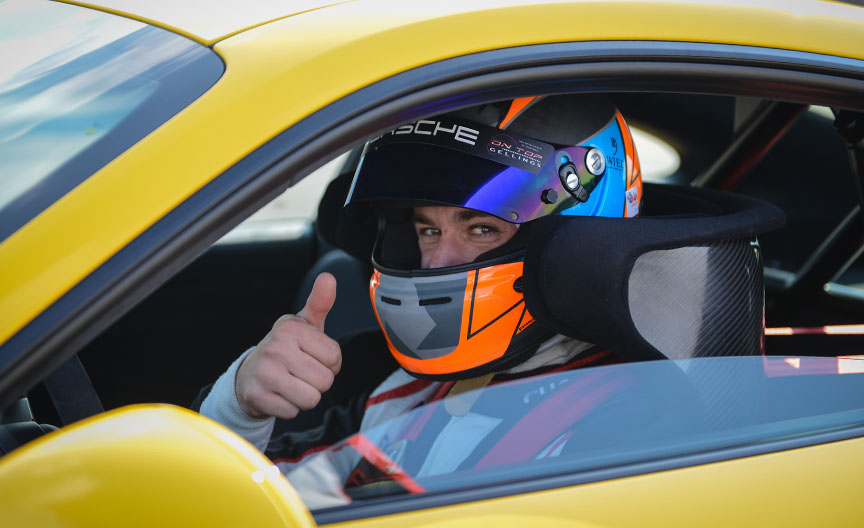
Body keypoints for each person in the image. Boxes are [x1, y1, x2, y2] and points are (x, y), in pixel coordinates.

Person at [199, 94, 643, 481]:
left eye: (483, 229)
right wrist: (240, 407)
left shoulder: (629, 417)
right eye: (427, 230)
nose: (437, 262)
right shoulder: (407, 394)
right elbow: (254, 495)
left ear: (572, 239)